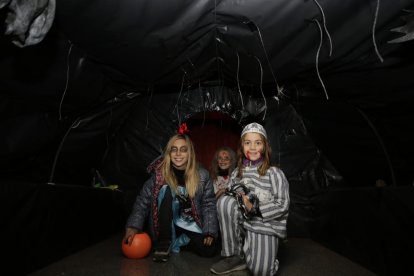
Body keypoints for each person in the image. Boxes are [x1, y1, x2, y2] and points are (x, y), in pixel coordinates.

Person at [123, 133, 219, 262]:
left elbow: (208, 204)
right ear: (169, 153)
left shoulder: (202, 175)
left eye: (183, 150)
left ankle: (180, 240)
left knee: (209, 250)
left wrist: (209, 231)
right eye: (174, 150)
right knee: (166, 190)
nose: (178, 154)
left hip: (189, 221)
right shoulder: (159, 175)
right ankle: (165, 241)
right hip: (166, 222)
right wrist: (133, 226)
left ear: (189, 153)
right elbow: (142, 201)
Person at [210, 122, 290, 275]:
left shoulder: (274, 173)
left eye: (257, 143)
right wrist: (240, 192)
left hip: (264, 225)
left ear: (265, 147)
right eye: (248, 143)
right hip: (243, 222)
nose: (252, 147)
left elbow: (283, 204)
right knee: (225, 202)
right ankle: (234, 255)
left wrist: (256, 207)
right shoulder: (237, 172)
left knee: (260, 271)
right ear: (242, 147)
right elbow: (232, 191)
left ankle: (265, 250)